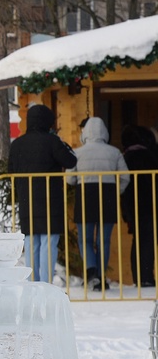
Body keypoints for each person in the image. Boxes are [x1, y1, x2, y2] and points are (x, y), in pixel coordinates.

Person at [8, 103, 77, 283]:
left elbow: (11, 169)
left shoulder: (17, 144)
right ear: (48, 122)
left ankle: (32, 282)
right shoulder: (52, 141)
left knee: (31, 243)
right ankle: (45, 283)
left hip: (27, 198)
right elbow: (70, 161)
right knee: (48, 242)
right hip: (50, 198)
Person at [68, 116, 130, 291]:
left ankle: (91, 271)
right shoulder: (114, 152)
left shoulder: (78, 152)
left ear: (85, 133)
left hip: (85, 196)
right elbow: (125, 176)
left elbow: (70, 178)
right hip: (108, 197)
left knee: (85, 239)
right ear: (105, 132)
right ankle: (100, 276)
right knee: (104, 240)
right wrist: (116, 191)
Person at [120, 125, 158, 289]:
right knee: (148, 242)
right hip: (152, 206)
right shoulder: (151, 157)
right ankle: (147, 278)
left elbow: (124, 188)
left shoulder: (125, 159)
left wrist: (126, 213)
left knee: (139, 241)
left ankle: (139, 278)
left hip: (134, 207)